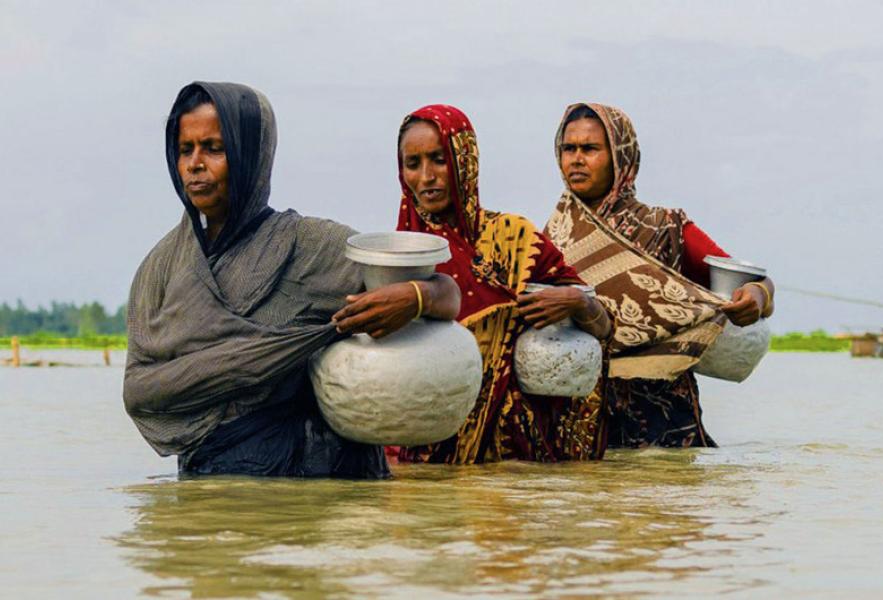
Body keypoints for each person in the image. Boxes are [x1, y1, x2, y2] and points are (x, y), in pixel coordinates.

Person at [123, 82, 460, 477]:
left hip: (314, 487)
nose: (195, 164)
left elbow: (445, 292)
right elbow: (138, 391)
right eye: (185, 150)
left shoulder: (306, 245)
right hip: (211, 484)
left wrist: (417, 297)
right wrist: (242, 365)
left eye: (214, 148)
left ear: (251, 154)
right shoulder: (161, 267)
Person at [545, 103, 776, 448]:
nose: (576, 159)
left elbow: (749, 282)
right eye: (569, 149)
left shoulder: (666, 228)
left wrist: (757, 297)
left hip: (665, 419)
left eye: (590, 149)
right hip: (582, 420)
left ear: (622, 157)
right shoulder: (549, 239)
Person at [394, 104, 613, 465]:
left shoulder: (517, 239)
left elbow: (604, 328)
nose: (426, 176)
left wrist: (576, 301)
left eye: (439, 159)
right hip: (422, 458)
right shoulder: (401, 257)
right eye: (412, 164)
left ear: (464, 160)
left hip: (517, 463)